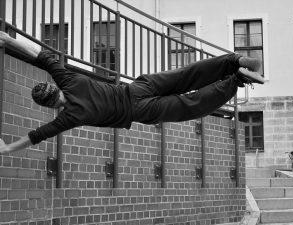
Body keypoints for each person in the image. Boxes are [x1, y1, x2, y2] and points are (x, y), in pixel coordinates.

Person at [0, 31, 264, 154]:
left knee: (190, 104)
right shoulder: (67, 79)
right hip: (139, 87)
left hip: (138, 110)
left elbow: (35, 136)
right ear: (54, 87)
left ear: (48, 106)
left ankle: (236, 80)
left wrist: (7, 148)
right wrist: (9, 40)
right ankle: (234, 61)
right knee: (186, 76)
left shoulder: (69, 117)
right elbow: (44, 57)